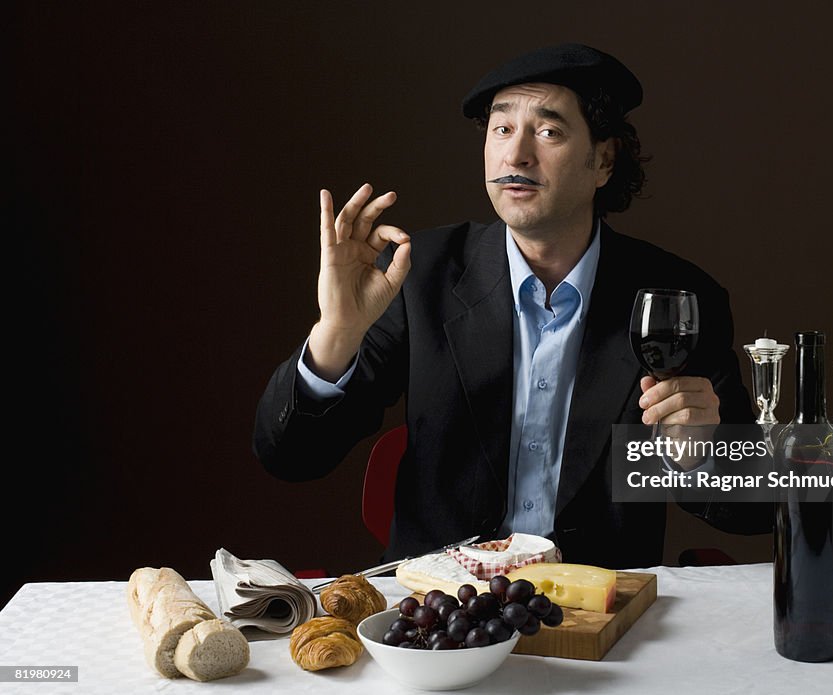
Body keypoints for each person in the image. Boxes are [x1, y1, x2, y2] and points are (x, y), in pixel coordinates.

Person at [254, 43, 770, 569]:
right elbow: (291, 458)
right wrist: (336, 333)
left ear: (604, 160)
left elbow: (759, 510)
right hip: (440, 616)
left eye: (548, 132)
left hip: (602, 616)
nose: (516, 156)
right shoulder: (418, 271)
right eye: (502, 129)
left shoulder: (677, 297)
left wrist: (702, 454)